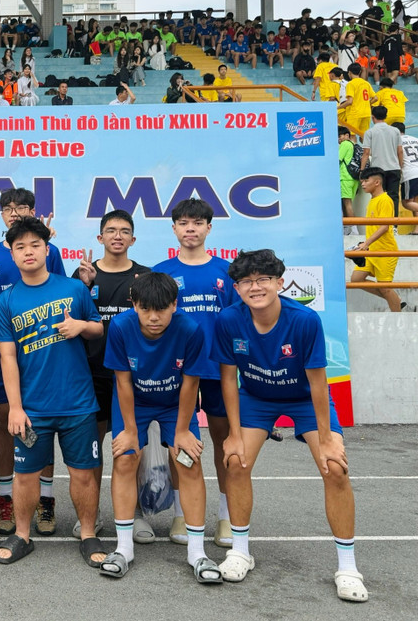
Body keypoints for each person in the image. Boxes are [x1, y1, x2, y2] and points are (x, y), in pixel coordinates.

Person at [211, 250, 369, 602]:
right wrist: (233, 434)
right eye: (246, 281)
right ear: (236, 288)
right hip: (256, 397)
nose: (255, 287)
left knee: (335, 468)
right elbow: (228, 379)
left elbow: (318, 383)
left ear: (280, 283)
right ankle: (240, 551)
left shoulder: (304, 320)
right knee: (235, 461)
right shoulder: (228, 320)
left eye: (263, 279)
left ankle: (347, 568)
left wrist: (326, 438)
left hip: (304, 398)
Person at [0, 217, 106, 567]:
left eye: (35, 245)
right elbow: (7, 358)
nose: (28, 252)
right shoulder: (6, 301)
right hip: (33, 408)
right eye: (20, 247)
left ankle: (88, 534)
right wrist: (15, 407)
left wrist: (81, 325)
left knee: (83, 473)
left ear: (47, 249)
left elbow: (98, 329)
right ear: (12, 254)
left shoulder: (74, 289)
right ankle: (22, 535)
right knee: (26, 476)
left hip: (77, 403)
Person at [99, 273, 220, 583]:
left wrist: (182, 431)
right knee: (125, 458)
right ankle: (123, 549)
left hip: (174, 404)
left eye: (161, 309)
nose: (153, 317)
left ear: (174, 305)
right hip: (135, 402)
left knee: (189, 461)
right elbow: (123, 382)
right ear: (134, 305)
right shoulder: (121, 326)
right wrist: (129, 431)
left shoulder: (190, 329)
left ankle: (197, 552)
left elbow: (191, 383)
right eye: (145, 309)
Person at [153, 199, 239, 548]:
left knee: (224, 441)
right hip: (177, 370)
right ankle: (181, 513)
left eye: (198, 223)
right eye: (184, 223)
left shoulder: (226, 272)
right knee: (179, 440)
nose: (191, 229)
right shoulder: (162, 272)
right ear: (174, 228)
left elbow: (236, 322)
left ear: (209, 228)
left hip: (219, 369)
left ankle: (227, 517)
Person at [0, 189, 63, 536]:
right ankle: (6, 499)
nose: (14, 213)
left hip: (43, 351)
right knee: (5, 420)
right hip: (4, 350)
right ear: (1, 214)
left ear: (33, 210)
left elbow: (61, 294)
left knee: (42, 423)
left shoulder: (50, 251)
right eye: (8, 208)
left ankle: (45, 500)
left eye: (22, 207)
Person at [74, 210, 152, 540]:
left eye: (124, 231)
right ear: (100, 237)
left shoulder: (145, 277)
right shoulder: (82, 275)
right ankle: (90, 515)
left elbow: (154, 324)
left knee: (131, 447)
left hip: (132, 376)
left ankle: (135, 514)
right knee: (92, 448)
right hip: (91, 373)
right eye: (110, 230)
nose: (117, 236)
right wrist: (84, 285)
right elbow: (71, 320)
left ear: (133, 239)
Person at [348, 168, 402, 312]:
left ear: (377, 182)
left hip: (385, 251)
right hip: (371, 250)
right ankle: (395, 299)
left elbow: (384, 226)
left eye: (366, 181)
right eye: (362, 181)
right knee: (356, 279)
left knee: (385, 288)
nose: (363, 184)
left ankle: (398, 316)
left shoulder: (385, 200)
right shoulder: (372, 200)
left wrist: (366, 243)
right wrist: (365, 244)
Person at [360, 106, 405, 214]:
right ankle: (394, 222)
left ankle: (380, 220)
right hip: (394, 168)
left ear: (373, 117)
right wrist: (400, 167)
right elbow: (400, 151)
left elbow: (366, 153)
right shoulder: (395, 131)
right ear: (386, 116)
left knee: (378, 196)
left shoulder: (370, 132)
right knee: (393, 197)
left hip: (378, 170)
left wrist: (362, 170)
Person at [341, 64, 375, 135]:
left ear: (349, 72)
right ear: (360, 72)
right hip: (366, 113)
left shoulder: (351, 84)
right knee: (364, 136)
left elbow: (350, 101)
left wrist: (338, 107)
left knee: (351, 135)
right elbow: (375, 98)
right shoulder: (366, 83)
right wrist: (367, 104)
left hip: (355, 113)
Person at [339, 127, 360, 234]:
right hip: (353, 178)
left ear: (347, 135)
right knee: (347, 202)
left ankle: (353, 230)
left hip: (345, 177)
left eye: (340, 136)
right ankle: (348, 228)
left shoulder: (345, 144)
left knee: (347, 203)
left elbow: (338, 159)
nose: (338, 139)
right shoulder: (353, 145)